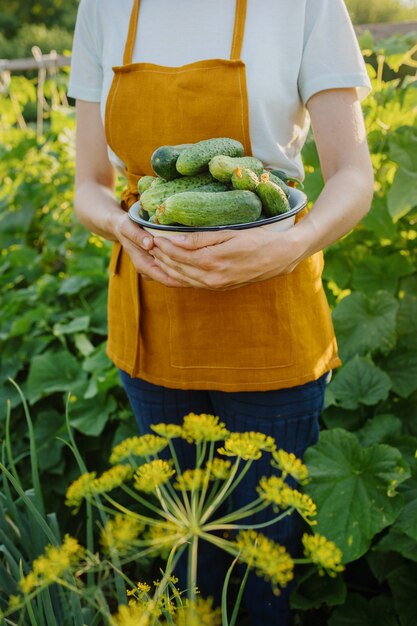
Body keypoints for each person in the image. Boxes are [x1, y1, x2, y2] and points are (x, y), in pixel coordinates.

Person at [68, 0, 373, 623]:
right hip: (153, 324)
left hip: (272, 322)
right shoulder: (104, 7)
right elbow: (90, 186)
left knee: (263, 568)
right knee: (188, 562)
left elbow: (353, 176)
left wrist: (286, 247)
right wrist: (121, 227)